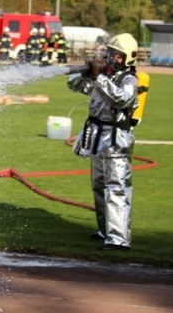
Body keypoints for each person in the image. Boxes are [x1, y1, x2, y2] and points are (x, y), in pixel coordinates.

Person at [67, 33, 139, 251]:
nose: (111, 59)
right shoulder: (106, 77)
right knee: (98, 186)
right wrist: (85, 72)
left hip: (116, 139)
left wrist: (99, 77)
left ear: (127, 59)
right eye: (110, 54)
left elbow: (121, 98)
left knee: (116, 188)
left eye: (117, 56)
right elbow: (76, 86)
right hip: (98, 137)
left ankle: (118, 239)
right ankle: (105, 230)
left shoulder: (129, 79)